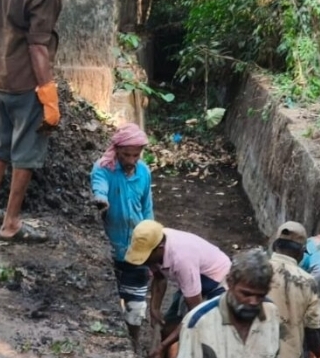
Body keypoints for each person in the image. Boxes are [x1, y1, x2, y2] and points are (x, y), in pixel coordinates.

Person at [0, 0, 88, 243]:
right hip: (25, 80)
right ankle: (10, 222)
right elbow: (38, 46)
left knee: (0, 144)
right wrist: (48, 92)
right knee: (26, 152)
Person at [125, 220, 232, 358]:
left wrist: (163, 346)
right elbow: (159, 277)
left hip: (217, 282)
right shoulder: (154, 242)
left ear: (160, 248)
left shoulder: (182, 259)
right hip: (193, 281)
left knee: (197, 336)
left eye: (146, 257)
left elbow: (195, 315)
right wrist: (154, 309)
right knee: (168, 328)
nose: (144, 261)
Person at [90, 123, 153, 351]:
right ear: (116, 150)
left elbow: (147, 208)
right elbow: (100, 186)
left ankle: (134, 343)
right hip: (111, 248)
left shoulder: (144, 172)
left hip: (137, 250)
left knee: (136, 307)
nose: (132, 159)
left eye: (136, 155)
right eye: (127, 154)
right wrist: (101, 199)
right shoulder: (103, 168)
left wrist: (151, 241)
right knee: (112, 302)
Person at [177, 248, 281, 358]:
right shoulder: (199, 322)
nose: (253, 302)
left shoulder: (271, 313)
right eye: (246, 294)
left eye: (260, 296)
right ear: (230, 283)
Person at [268, 222, 320, 358]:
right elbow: (312, 329)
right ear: (301, 252)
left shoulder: (255, 271)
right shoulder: (308, 282)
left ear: (274, 246)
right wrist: (318, 352)